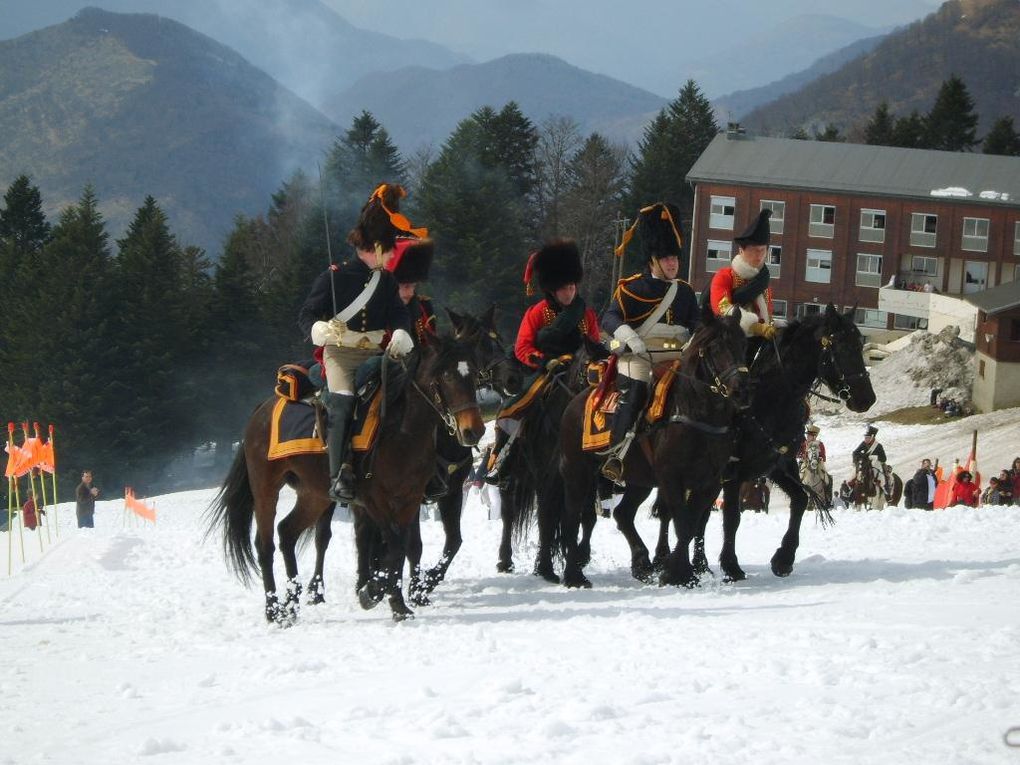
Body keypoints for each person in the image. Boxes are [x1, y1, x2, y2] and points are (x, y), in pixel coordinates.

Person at [298, 183, 416, 502]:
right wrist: (318, 329)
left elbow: (398, 315)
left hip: (377, 352)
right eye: (390, 248)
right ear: (377, 246)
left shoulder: (388, 281)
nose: (393, 254)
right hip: (341, 356)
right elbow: (307, 313)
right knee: (343, 401)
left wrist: (402, 332)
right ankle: (340, 474)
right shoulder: (335, 276)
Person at [600, 202, 700, 481]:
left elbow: (697, 322)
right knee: (635, 394)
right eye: (667, 258)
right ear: (653, 260)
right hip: (639, 357)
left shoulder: (686, 292)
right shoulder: (632, 288)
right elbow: (609, 318)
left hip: (677, 358)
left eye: (675, 258)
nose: (673, 264)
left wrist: (695, 339)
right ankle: (616, 456)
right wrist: (629, 337)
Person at [486, 240, 601, 483]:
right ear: (552, 289)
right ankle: (502, 457)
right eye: (563, 288)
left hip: (580, 370)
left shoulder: (587, 314)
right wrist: (543, 361)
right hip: (544, 370)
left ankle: (609, 464)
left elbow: (595, 344)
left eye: (571, 287)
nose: (569, 293)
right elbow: (522, 347)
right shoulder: (537, 313)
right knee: (516, 406)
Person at [709, 208, 776, 354]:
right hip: (726, 342)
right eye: (753, 250)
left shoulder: (764, 285)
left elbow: (767, 317)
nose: (758, 256)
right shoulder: (725, 276)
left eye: (762, 251)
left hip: (757, 343)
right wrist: (755, 326)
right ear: (741, 251)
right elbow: (723, 308)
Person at [387, 237, 436, 345]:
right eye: (406, 286)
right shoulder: (372, 311)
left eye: (414, 286)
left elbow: (431, 347)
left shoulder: (424, 308)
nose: (411, 293)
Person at [851, 425, 893, 498]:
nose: (865, 439)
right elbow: (855, 453)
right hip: (865, 463)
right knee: (853, 477)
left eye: (867, 437)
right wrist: (859, 458)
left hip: (876, 463)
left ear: (872, 437)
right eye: (865, 437)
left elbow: (884, 459)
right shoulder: (863, 443)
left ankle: (886, 491)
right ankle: (851, 493)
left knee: (881, 477)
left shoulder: (878, 446)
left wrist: (875, 457)